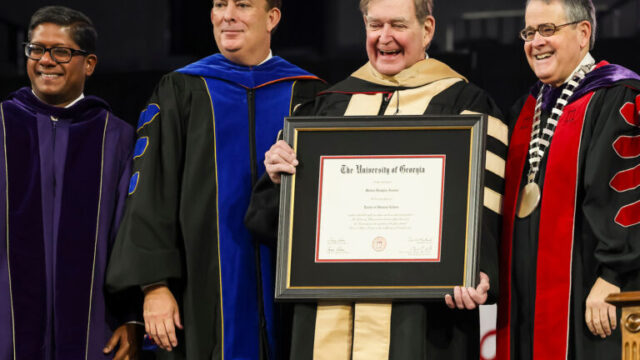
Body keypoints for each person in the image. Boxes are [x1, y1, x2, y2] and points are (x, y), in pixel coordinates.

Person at [245, 0, 508, 358]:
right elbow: (269, 224)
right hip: (326, 316)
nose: (385, 37)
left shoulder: (466, 107)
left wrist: (478, 271)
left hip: (420, 322)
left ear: (427, 29)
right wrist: (279, 181)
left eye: (398, 25)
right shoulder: (324, 109)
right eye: (375, 25)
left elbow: (484, 213)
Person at [105, 0, 325, 359]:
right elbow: (149, 190)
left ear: (272, 18)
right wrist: (154, 285)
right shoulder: (181, 90)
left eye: (242, 4)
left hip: (288, 292)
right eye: (220, 4)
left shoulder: (309, 95)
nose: (228, 15)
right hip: (197, 289)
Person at [496, 0, 640, 359]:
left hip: (594, 294)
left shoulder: (618, 96)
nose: (535, 42)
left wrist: (612, 276)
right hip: (528, 301)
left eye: (548, 30)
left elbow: (621, 196)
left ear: (583, 33)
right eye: (529, 33)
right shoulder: (527, 108)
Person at [0, 5, 141, 360]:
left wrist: (132, 318)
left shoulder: (116, 137)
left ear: (89, 63)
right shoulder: (2, 125)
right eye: (36, 49)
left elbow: (129, 235)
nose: (46, 60)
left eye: (60, 51)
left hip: (93, 327)